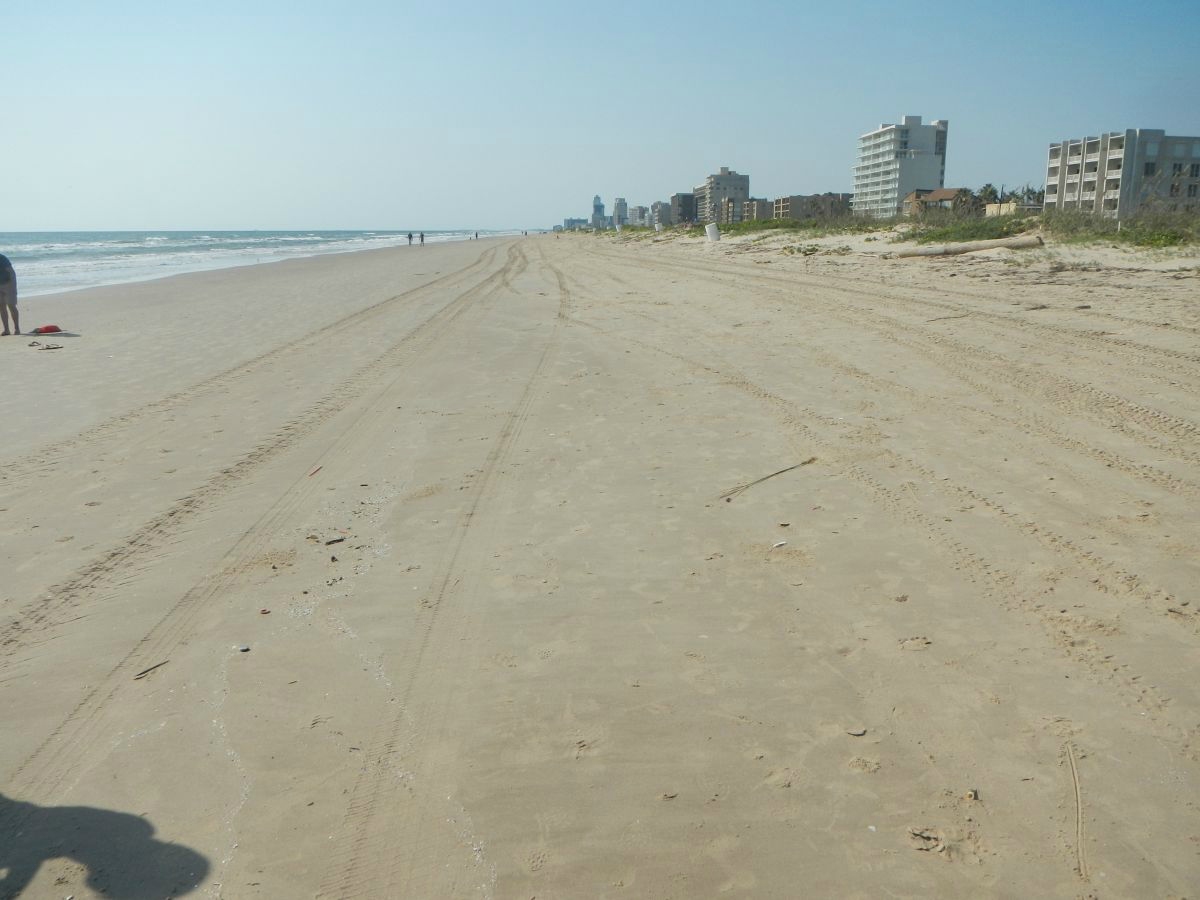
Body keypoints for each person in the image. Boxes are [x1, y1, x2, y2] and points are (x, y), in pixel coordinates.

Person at [0, 253, 18, 336]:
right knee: (1, 306)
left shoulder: (1, 258)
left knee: (11, 305)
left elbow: (11, 271)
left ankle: (17, 328)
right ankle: (6, 330)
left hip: (8, 282)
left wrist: (12, 285)